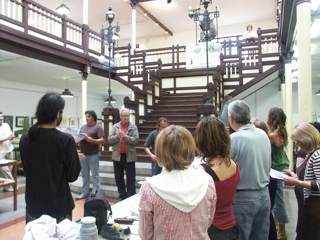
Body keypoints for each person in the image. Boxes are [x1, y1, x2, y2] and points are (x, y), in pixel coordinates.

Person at [139, 125, 216, 240]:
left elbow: (146, 235)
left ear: (160, 151)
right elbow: (208, 221)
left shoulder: (149, 188)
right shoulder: (207, 180)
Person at [19, 92, 81, 223]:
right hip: (58, 205)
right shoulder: (65, 140)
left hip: (34, 204)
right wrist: (75, 159)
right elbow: (72, 176)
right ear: (58, 113)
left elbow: (27, 169)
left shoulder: (25, 138)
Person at [228, 100, 271, 240]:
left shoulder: (234, 139)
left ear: (231, 118)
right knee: (260, 236)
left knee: (241, 236)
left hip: (243, 198)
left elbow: (225, 169)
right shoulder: (263, 134)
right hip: (264, 194)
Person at [195, 116, 240, 240]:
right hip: (230, 226)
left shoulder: (202, 171)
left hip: (211, 229)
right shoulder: (233, 164)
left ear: (201, 140)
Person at [284, 122, 320, 240]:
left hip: (314, 208)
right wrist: (294, 176)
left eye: (298, 141)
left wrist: (297, 182)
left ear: (306, 139)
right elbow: (308, 176)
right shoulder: (310, 154)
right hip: (307, 207)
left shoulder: (317, 155)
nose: (297, 145)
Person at [267, 107, 289, 240]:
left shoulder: (273, 134)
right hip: (282, 164)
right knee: (278, 199)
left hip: (276, 167)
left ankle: (281, 231)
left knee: (278, 200)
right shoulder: (281, 131)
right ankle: (281, 228)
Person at [108, 108, 139, 200]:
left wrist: (124, 137)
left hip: (129, 156)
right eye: (124, 116)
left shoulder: (133, 127)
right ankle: (122, 196)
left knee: (131, 178)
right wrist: (117, 137)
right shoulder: (115, 126)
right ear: (120, 116)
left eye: (127, 116)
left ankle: (131, 197)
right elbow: (109, 140)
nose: (126, 117)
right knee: (118, 178)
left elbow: (135, 140)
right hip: (117, 156)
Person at [75, 110, 105, 200]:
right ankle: (84, 192)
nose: (86, 118)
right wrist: (75, 139)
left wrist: (91, 140)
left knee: (95, 174)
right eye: (86, 117)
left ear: (93, 117)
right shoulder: (83, 127)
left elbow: (102, 140)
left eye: (88, 116)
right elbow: (79, 138)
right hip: (83, 155)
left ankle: (96, 193)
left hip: (93, 155)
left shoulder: (98, 128)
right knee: (84, 175)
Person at [0, 112, 15, 191]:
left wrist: (12, 136)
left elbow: (11, 135)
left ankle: (6, 187)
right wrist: (7, 138)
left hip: (9, 150)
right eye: (0, 119)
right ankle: (13, 185)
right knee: (5, 170)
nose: (1, 120)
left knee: (10, 169)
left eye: (2, 118)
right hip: (1, 153)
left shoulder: (6, 125)